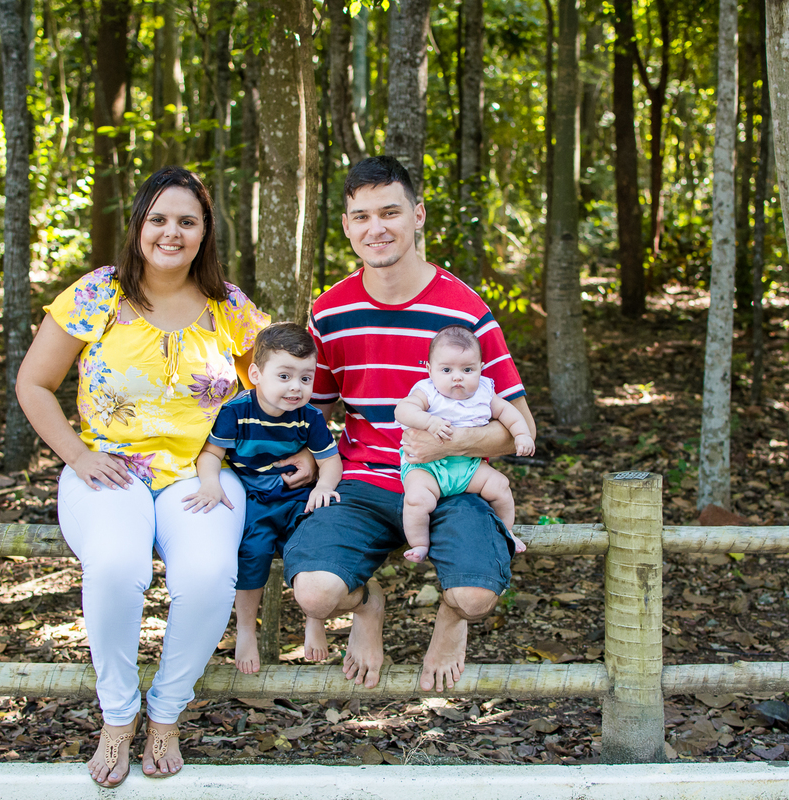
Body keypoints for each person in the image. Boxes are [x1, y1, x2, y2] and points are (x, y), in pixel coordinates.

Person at [15, 166, 267, 787]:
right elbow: (34, 383)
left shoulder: (228, 306)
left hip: (201, 473)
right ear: (138, 226)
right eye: (159, 218)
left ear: (205, 231)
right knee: (118, 568)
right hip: (108, 469)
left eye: (187, 220)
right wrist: (76, 456)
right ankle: (119, 715)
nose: (171, 233)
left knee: (208, 576)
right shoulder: (97, 292)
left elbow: (284, 380)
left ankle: (167, 712)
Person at [282, 156, 538, 693]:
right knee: (315, 593)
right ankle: (368, 605)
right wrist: (308, 454)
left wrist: (455, 442)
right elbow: (315, 410)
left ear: (418, 215)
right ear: (348, 226)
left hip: (455, 484)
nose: (376, 228)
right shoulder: (330, 312)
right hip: (362, 482)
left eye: (390, 212)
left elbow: (520, 424)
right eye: (361, 216)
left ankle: (450, 620)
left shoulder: (465, 311)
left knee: (474, 597)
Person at [184, 321, 343, 674]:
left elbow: (330, 461)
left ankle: (314, 619)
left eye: (305, 378)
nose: (295, 388)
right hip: (254, 497)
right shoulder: (235, 412)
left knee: (309, 546)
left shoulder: (309, 418)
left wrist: (323, 487)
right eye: (284, 376)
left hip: (297, 496)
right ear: (256, 373)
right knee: (253, 552)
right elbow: (210, 454)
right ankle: (245, 629)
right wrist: (210, 482)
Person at [394, 324, 535, 563]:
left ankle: (507, 531)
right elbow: (402, 410)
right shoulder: (427, 392)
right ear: (430, 370)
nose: (457, 377)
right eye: (446, 369)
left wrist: (521, 434)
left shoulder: (484, 392)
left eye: (467, 369)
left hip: (468, 466)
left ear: (480, 368)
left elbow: (509, 413)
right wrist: (429, 422)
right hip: (427, 467)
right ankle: (419, 543)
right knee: (417, 499)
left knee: (500, 485)